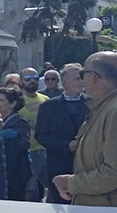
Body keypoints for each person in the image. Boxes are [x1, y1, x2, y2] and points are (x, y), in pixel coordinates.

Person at [53, 52, 117, 206]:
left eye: (83, 73)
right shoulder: (104, 108)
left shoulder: (114, 111)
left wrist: (71, 184)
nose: (82, 80)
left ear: (93, 76)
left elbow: (114, 173)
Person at [34, 63, 89, 205]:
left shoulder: (92, 104)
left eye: (83, 77)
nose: (82, 81)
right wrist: (66, 145)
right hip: (59, 165)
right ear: (65, 82)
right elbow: (40, 135)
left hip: (88, 167)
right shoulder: (49, 106)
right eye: (77, 78)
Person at [0, 87, 33, 201]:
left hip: (15, 175)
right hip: (2, 172)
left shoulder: (19, 122)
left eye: (1, 100)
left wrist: (7, 138)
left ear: (13, 104)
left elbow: (24, 144)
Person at [18, 67, 47, 201]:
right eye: (28, 79)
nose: (32, 81)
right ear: (21, 81)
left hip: (46, 148)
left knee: (52, 186)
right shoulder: (18, 101)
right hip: (29, 151)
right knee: (29, 189)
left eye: (35, 78)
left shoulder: (45, 99)